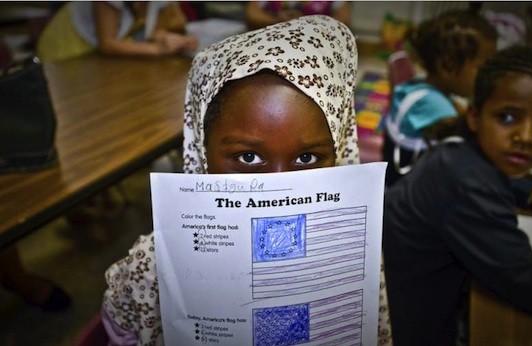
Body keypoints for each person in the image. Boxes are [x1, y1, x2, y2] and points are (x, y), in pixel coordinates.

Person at [101, 15, 392, 344]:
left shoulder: (353, 252)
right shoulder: (152, 268)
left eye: (306, 158)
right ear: (201, 151)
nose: (279, 193)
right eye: (249, 158)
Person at [383, 45, 532, 346]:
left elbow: (497, 179)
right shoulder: (468, 184)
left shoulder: (460, 149)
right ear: (475, 116)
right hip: (406, 322)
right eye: (508, 117)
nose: (526, 137)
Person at [381, 9, 497, 186]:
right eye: (483, 68)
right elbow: (475, 143)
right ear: (447, 65)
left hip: (393, 182)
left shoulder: (415, 88)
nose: (489, 76)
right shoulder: (438, 109)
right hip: (414, 193)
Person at [36, 1, 198, 62]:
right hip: (68, 44)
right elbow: (107, 43)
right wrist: (158, 49)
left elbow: (154, 30)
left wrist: (170, 39)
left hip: (100, 55)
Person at [245, 1, 352, 30]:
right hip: (272, 42)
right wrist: (278, 20)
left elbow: (343, 20)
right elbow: (252, 14)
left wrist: (308, 22)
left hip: (316, 44)